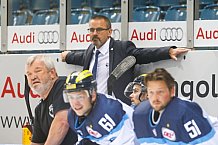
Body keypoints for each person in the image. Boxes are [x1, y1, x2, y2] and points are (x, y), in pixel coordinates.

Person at [61, 15, 189, 105]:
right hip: (92, 106)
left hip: (115, 106)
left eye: (99, 29)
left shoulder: (121, 48)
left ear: (110, 32)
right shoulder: (90, 51)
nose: (94, 33)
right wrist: (67, 56)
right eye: (91, 30)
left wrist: (168, 52)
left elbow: (143, 55)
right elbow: (81, 58)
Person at [133, 68, 218, 145]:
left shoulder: (185, 112)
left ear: (172, 91)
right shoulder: (140, 113)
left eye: (160, 92)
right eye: (151, 92)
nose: (155, 98)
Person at [63, 70, 138, 145]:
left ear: (93, 95)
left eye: (80, 97)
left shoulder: (110, 112)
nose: (75, 103)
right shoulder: (73, 116)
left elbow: (127, 142)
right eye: (70, 97)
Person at [25, 55, 77, 145]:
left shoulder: (64, 86)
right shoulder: (39, 109)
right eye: (29, 74)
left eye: (38, 71)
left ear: (52, 73)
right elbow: (37, 142)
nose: (33, 77)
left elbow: (63, 122)